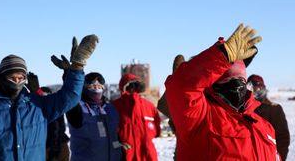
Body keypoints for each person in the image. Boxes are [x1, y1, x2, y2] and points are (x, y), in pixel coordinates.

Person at [165, 24, 281, 160]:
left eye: (241, 70)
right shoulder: (200, 116)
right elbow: (182, 87)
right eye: (230, 67)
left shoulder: (264, 127)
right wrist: (223, 54)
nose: (237, 77)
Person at [0, 34, 98, 161]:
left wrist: (77, 66)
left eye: (21, 78)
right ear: (1, 77)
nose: (17, 82)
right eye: (12, 78)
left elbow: (70, 96)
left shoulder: (38, 105)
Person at [51, 37, 122, 161]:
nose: (96, 88)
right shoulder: (77, 107)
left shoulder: (110, 108)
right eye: (92, 85)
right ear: (84, 87)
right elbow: (70, 94)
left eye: (100, 85)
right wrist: (71, 71)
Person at [112, 73, 161, 161]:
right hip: (126, 156)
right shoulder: (114, 107)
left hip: (147, 156)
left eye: (135, 85)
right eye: (129, 86)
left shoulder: (149, 106)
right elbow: (107, 134)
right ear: (124, 87)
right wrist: (117, 145)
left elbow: (157, 131)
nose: (132, 88)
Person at [248, 74, 290, 161]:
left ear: (263, 89)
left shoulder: (275, 109)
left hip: (269, 156)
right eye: (250, 88)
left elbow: (282, 137)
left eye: (257, 88)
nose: (254, 92)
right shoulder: (242, 110)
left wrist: (280, 158)